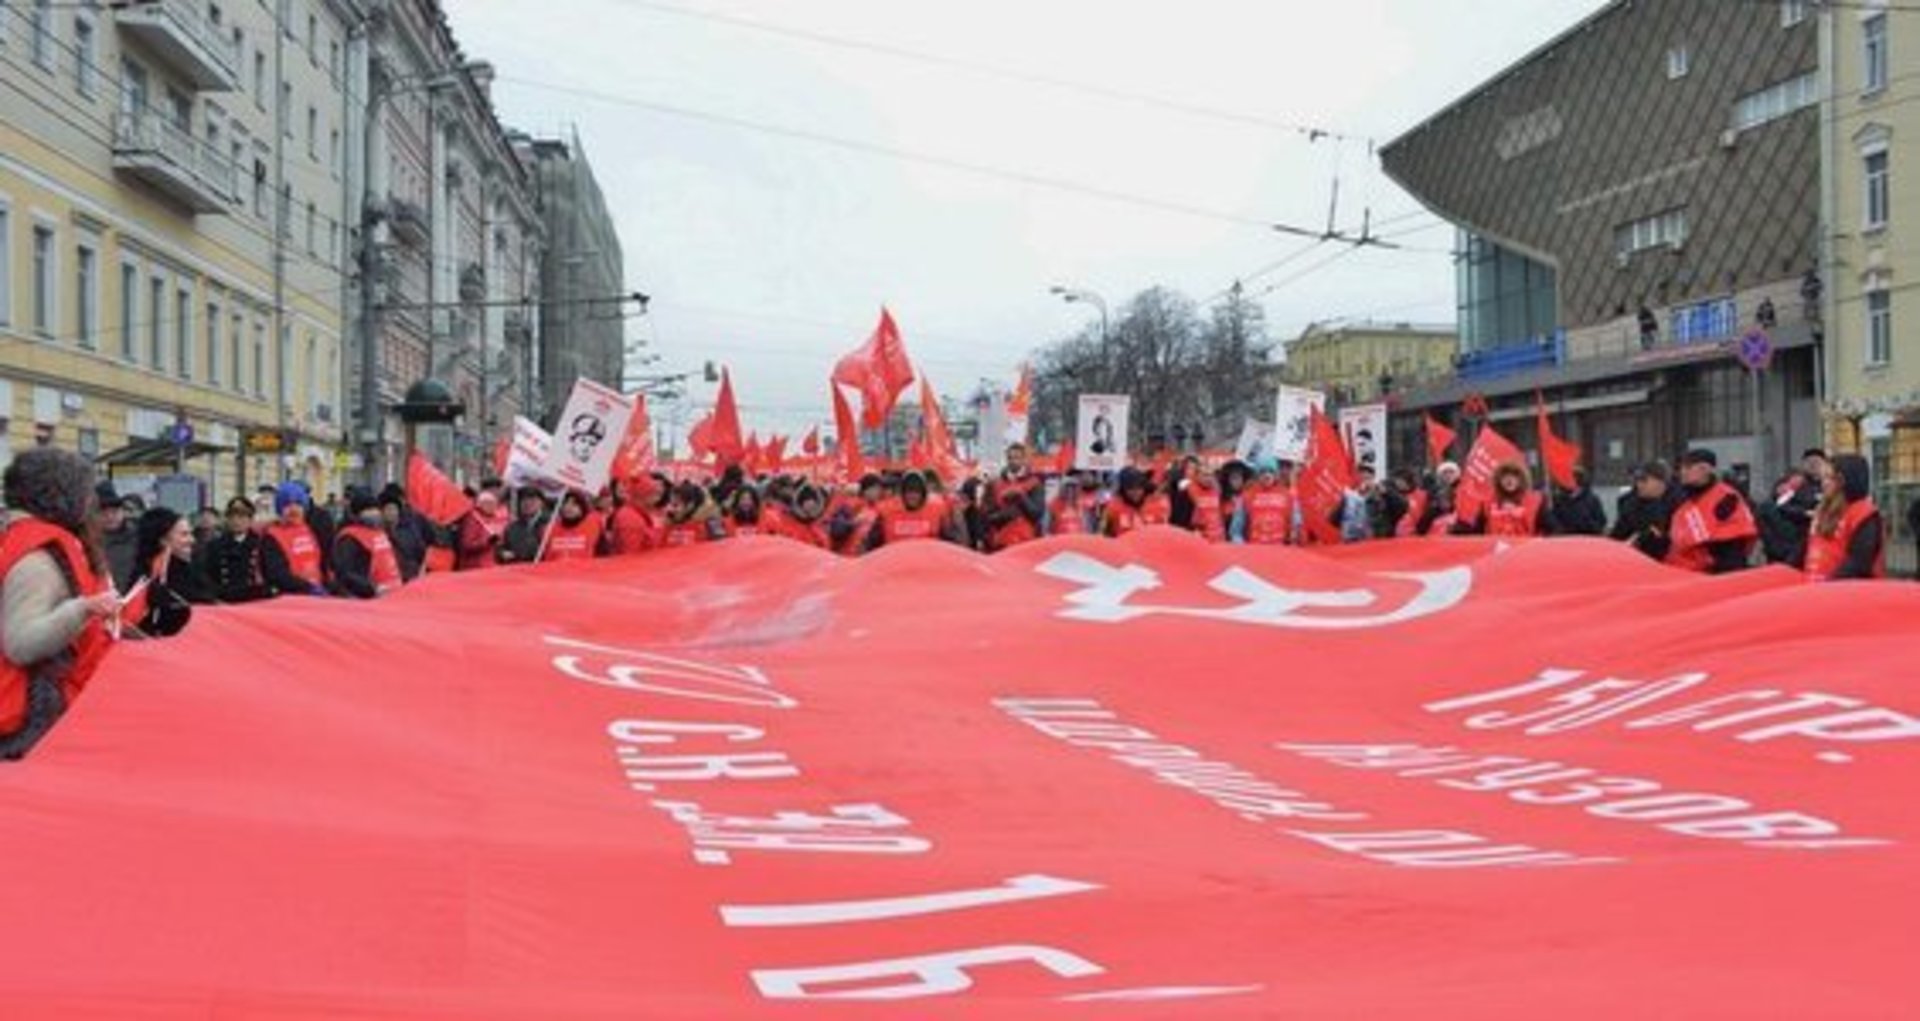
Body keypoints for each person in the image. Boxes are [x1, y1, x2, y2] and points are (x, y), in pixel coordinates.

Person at [0, 449, 122, 759]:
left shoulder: (23, 542)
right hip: (31, 723)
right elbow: (21, 643)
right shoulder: (38, 560)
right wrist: (82, 609)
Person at [1666, 449, 1758, 574]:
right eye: (1681, 468)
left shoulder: (1726, 498)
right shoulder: (1682, 500)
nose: (1682, 473)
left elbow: (1731, 546)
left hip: (1714, 573)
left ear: (1705, 469)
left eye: (1688, 468)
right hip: (1683, 571)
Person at [1804, 454, 1884, 581]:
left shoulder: (1863, 513)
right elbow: (1807, 547)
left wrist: (1829, 584)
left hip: (1846, 592)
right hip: (1815, 587)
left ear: (1843, 481)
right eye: (1823, 477)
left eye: (1829, 478)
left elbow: (1859, 563)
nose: (1823, 483)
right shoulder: (1823, 510)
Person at [131, 506, 208, 636]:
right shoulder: (152, 577)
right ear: (163, 540)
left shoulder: (192, 569)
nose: (192, 540)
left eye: (191, 533)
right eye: (184, 534)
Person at [331, 489, 404, 598]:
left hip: (393, 592)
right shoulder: (349, 537)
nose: (374, 513)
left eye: (375, 509)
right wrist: (370, 589)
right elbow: (345, 573)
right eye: (368, 509)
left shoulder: (380, 532)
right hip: (368, 597)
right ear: (357, 513)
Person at [199, 497, 272, 604]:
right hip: (225, 600)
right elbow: (207, 575)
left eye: (241, 516)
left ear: (250, 519)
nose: (236, 521)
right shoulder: (215, 546)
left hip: (254, 601)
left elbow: (270, 574)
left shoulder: (262, 544)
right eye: (232, 517)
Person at [261, 482, 327, 596]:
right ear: (279, 508)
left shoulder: (308, 530)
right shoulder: (271, 536)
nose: (294, 509)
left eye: (298, 503)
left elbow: (320, 563)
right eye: (287, 504)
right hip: (288, 599)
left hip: (314, 595)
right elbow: (277, 574)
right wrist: (308, 587)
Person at [1610, 460, 1680, 562]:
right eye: (1637, 480)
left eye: (1644, 480)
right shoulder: (1630, 503)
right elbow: (1618, 534)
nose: (1639, 485)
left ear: (1660, 481)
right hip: (1636, 561)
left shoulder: (1680, 504)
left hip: (1669, 563)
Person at [868, 472, 955, 549]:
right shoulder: (886, 512)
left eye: (917, 492)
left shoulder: (937, 511)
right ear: (903, 493)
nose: (912, 496)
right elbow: (872, 543)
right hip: (895, 564)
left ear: (923, 494)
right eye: (909, 491)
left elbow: (949, 544)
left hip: (926, 564)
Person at [984, 443, 1045, 551]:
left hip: (1027, 542)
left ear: (1023, 459)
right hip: (1002, 542)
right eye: (1010, 458)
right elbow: (987, 516)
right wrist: (1004, 515)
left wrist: (1021, 496)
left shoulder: (1035, 483)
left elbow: (1037, 514)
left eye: (1017, 457)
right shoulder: (995, 484)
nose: (1013, 461)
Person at [1460, 462, 1545, 537]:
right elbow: (1477, 531)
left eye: (1514, 477)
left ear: (1521, 480)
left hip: (1524, 550)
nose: (1509, 480)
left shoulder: (1534, 502)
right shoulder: (1487, 504)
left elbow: (1550, 529)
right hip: (1496, 551)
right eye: (1505, 477)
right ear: (1498, 481)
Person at [1233, 457, 1298, 545]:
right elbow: (1236, 530)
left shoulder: (1288, 495)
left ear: (1275, 474)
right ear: (1257, 475)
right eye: (1263, 471)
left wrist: (1295, 535)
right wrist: (1241, 546)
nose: (1267, 475)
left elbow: (1296, 524)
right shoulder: (1246, 496)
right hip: (1256, 552)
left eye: (1270, 471)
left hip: (1280, 551)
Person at [379, 486, 429, 581]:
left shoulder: (409, 530)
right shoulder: (378, 532)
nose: (391, 513)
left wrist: (421, 571)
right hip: (389, 579)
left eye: (393, 509)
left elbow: (421, 552)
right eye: (387, 509)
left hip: (411, 577)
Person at [96, 482, 138, 593]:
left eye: (114, 512)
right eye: (104, 513)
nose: (110, 517)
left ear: (122, 512)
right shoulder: (87, 543)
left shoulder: (138, 539)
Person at [457, 486, 513, 569]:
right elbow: (467, 544)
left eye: (494, 504)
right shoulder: (473, 519)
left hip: (490, 564)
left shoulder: (494, 519)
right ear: (480, 504)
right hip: (475, 566)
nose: (493, 507)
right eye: (489, 503)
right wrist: (487, 542)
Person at [659, 482, 727, 548]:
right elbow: (687, 509)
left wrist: (677, 516)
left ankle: (664, 540)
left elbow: (689, 509)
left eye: (676, 496)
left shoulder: (687, 496)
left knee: (694, 519)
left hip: (705, 511)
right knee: (694, 519)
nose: (675, 498)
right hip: (711, 510)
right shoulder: (693, 492)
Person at [542, 491, 605, 562]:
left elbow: (603, 553)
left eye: (574, 504)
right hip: (555, 571)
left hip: (583, 571)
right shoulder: (550, 529)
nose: (568, 507)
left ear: (582, 509)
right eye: (565, 503)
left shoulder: (592, 527)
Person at [1549, 467, 1608, 537]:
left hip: (1587, 540)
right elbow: (1554, 521)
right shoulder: (1559, 501)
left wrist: (1589, 524)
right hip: (1567, 541)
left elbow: (1601, 521)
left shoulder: (1592, 500)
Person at [499, 490, 549, 566]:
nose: (527, 503)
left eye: (532, 500)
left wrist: (517, 554)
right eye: (524, 500)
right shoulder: (512, 527)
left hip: (542, 570)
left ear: (541, 503)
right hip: (518, 571)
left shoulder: (550, 524)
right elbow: (502, 547)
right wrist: (501, 554)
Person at [1181, 463, 1228, 543]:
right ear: (1196, 476)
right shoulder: (1188, 492)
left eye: (1210, 475)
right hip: (1199, 538)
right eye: (1205, 475)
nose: (1208, 478)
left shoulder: (1217, 491)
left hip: (1219, 538)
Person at [1102, 468, 1154, 537]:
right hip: (1122, 546)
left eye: (1139, 488)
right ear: (1123, 490)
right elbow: (1104, 535)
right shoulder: (1112, 508)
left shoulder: (1154, 505)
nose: (1136, 492)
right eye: (1131, 488)